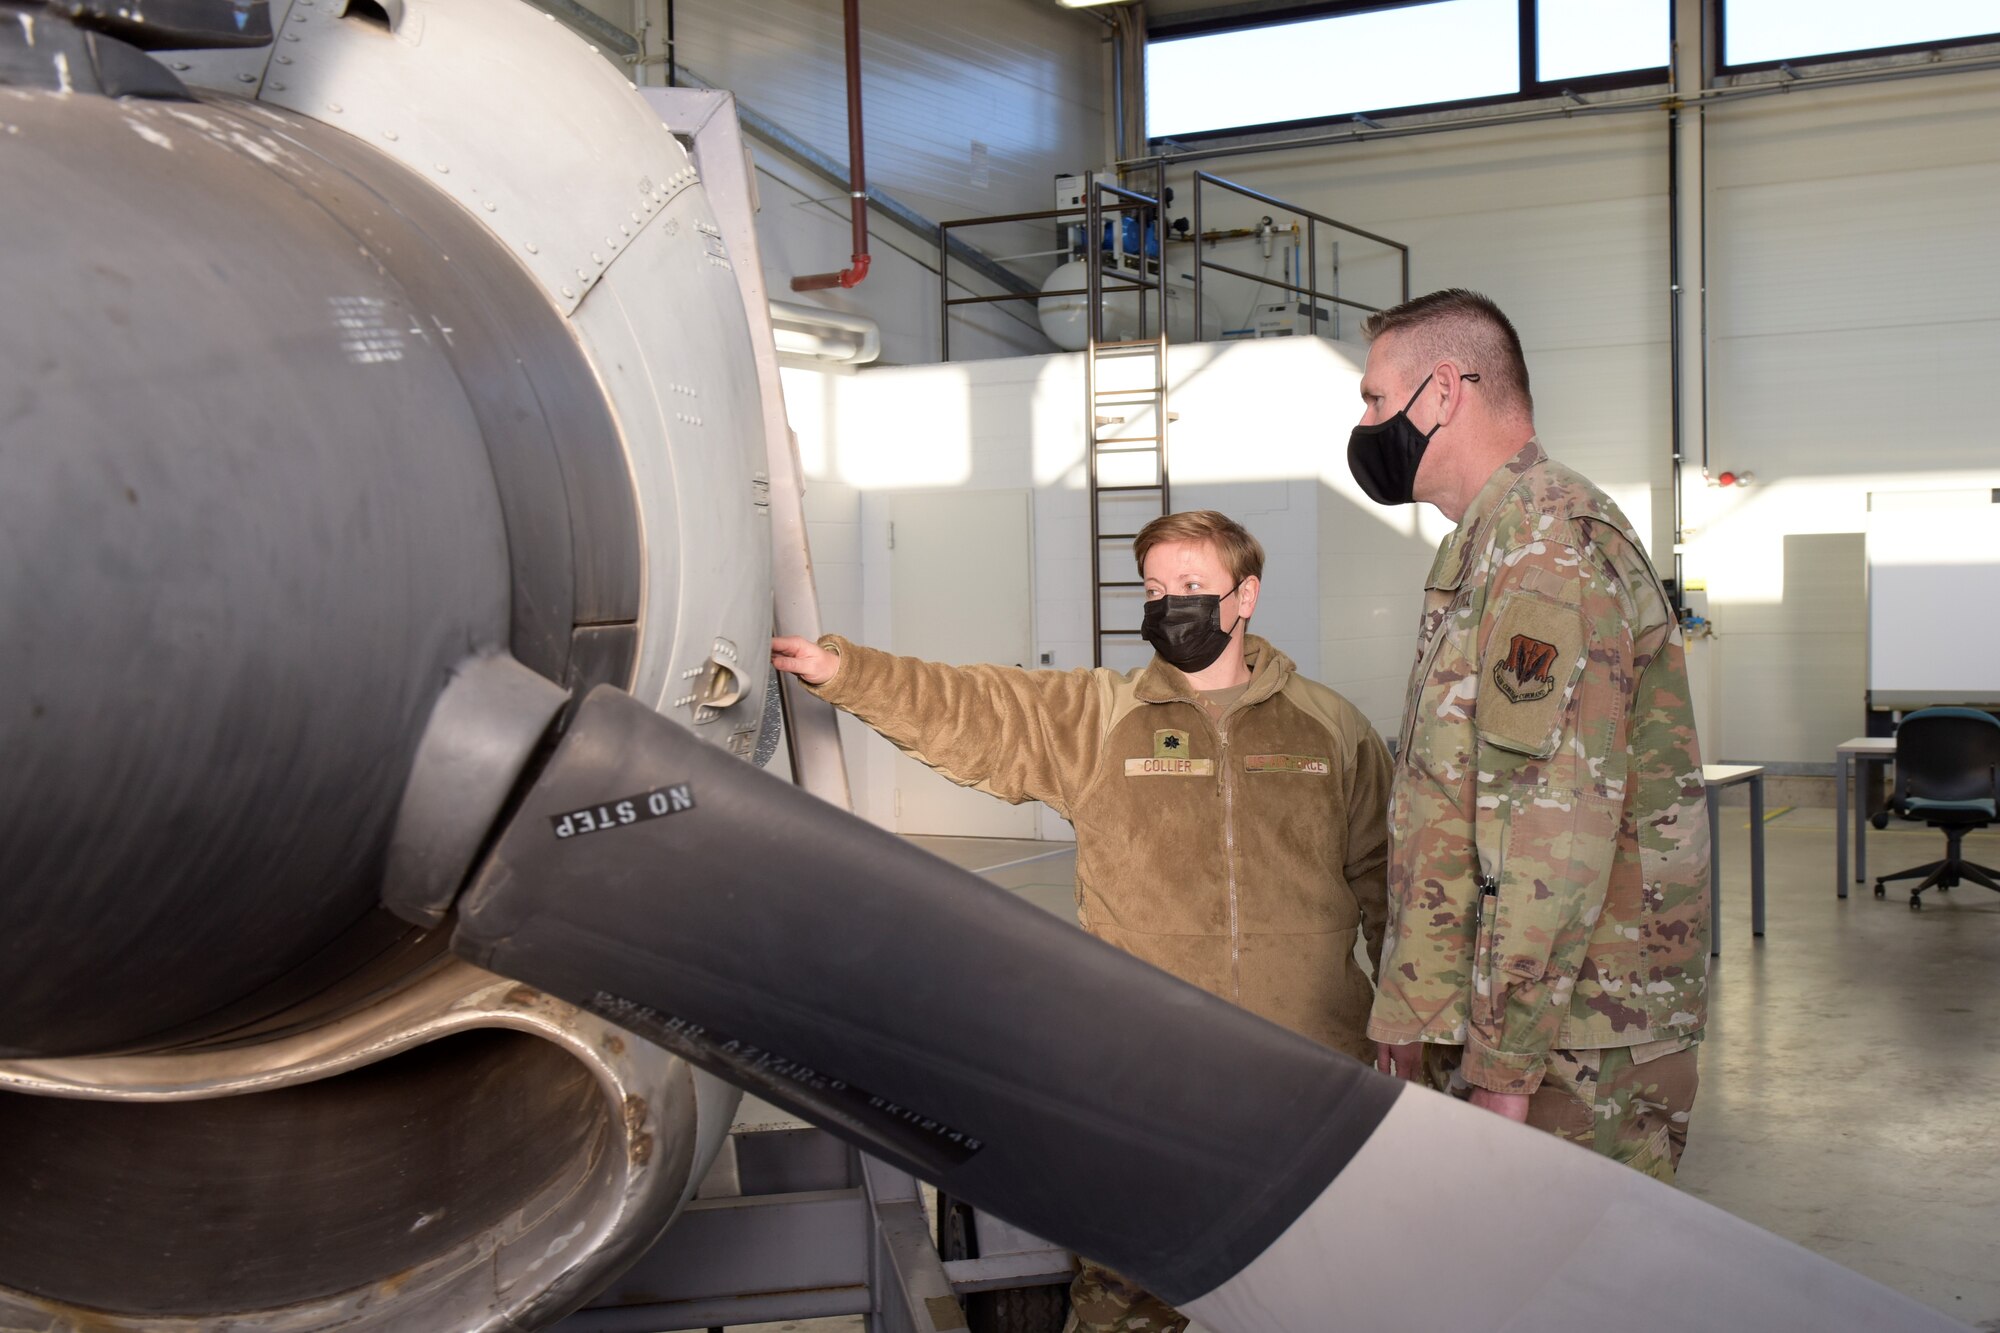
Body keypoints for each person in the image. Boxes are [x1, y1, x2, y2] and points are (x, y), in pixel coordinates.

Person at [772, 509, 1392, 1333]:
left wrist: (1412, 1033)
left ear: (1245, 597)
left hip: (1307, 1079)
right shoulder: (1101, 717)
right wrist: (845, 670)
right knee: (1131, 1299)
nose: (1171, 604)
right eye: (1156, 588)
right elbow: (975, 707)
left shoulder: (1331, 728)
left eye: (1193, 587)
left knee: (1318, 1291)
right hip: (1147, 1082)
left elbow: (1391, 885)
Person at [1348, 288, 1711, 1185]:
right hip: (1511, 1026)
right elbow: (1459, 804)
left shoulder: (1549, 546)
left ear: (1442, 392)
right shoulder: (1492, 545)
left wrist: (1505, 1068)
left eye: (1372, 398)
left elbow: (1554, 831)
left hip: (1569, 1048)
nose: (1363, 422)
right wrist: (1415, 1008)